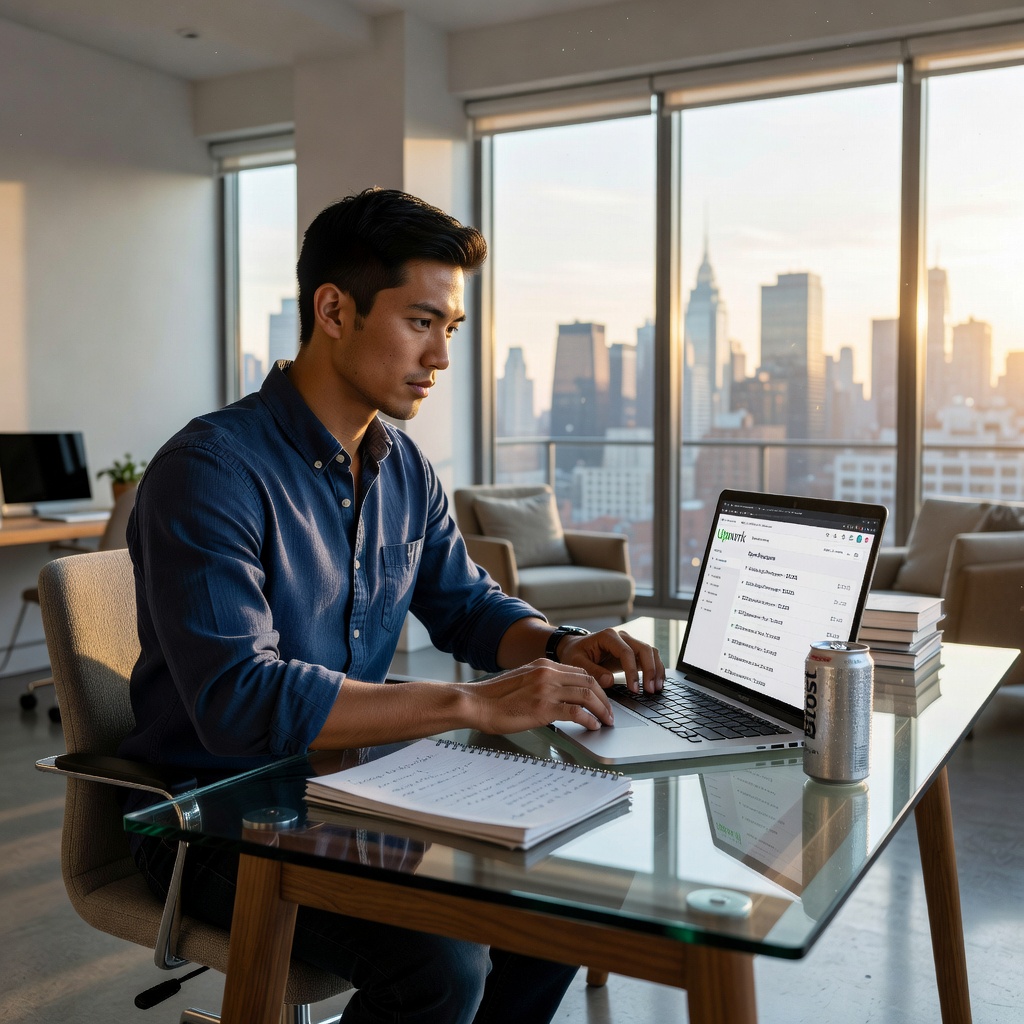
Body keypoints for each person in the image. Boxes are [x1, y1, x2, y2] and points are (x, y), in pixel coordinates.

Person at [120, 187, 665, 1023]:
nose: (441, 357)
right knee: (442, 967)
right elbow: (237, 701)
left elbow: (466, 605)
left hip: (364, 790)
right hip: (220, 816)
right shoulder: (209, 472)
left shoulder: (402, 466)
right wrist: (470, 703)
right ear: (333, 310)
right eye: (420, 322)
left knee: (568, 895)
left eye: (449, 329)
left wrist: (557, 645)